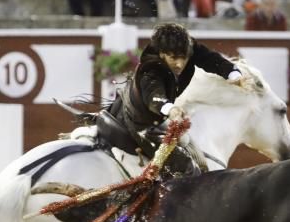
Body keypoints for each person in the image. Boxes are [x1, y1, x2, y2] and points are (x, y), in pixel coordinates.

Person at [101, 22, 243, 174]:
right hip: (138, 122)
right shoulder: (150, 69)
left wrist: (232, 74)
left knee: (195, 155)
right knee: (185, 167)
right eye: (173, 58)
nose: (180, 64)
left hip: (157, 118)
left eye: (184, 58)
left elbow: (210, 59)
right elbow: (154, 96)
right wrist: (171, 109)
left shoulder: (188, 48)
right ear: (161, 53)